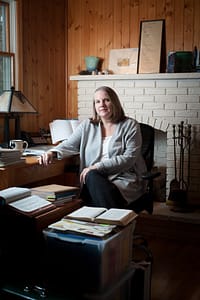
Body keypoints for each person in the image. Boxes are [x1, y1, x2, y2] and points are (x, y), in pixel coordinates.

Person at [38, 86, 147, 209]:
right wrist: (52, 152)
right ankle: (115, 219)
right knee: (91, 181)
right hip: (92, 180)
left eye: (106, 100)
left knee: (91, 181)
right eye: (97, 101)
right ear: (94, 105)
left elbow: (129, 158)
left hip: (120, 178)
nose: (102, 105)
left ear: (114, 102)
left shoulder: (130, 125)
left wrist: (96, 167)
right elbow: (69, 144)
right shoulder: (87, 125)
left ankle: (108, 218)